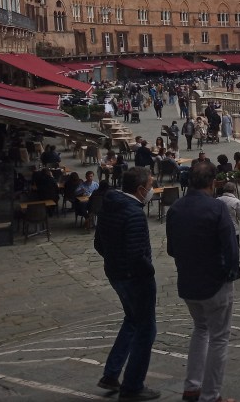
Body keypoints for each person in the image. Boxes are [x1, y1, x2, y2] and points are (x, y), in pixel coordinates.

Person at [166, 162, 240, 402]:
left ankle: (192, 387)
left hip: (188, 282)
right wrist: (229, 273)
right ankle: (210, 395)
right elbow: (231, 247)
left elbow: (171, 249)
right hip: (215, 282)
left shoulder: (175, 209)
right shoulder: (217, 209)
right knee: (219, 338)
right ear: (212, 183)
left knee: (200, 330)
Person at [93, 166, 160, 401]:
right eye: (150, 186)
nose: (151, 190)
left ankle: (111, 373)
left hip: (115, 274)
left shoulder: (109, 206)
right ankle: (133, 386)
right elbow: (136, 255)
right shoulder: (133, 213)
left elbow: (98, 244)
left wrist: (115, 261)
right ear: (141, 189)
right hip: (136, 279)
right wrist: (149, 270)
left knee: (132, 320)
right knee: (146, 328)